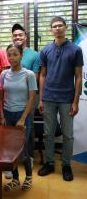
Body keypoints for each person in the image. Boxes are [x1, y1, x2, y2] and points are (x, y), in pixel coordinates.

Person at [38, 16, 84, 181]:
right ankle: (49, 163)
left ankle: (66, 165)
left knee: (68, 135)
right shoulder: (45, 50)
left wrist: (76, 101)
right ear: (51, 30)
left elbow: (78, 77)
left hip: (67, 99)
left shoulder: (75, 50)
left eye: (60, 25)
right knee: (48, 133)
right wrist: (41, 99)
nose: (57, 28)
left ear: (65, 27)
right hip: (49, 98)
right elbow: (42, 75)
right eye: (54, 26)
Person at [1, 44, 37, 191]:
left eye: (15, 54)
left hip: (23, 114)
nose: (12, 58)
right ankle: (15, 179)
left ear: (21, 56)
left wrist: (23, 118)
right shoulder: (4, 74)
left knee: (23, 150)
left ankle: (28, 177)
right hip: (7, 114)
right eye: (9, 55)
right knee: (10, 150)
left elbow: (32, 98)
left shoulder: (29, 74)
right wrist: (2, 115)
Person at [11, 23, 41, 178]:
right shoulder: (11, 52)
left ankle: (28, 158)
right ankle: (14, 161)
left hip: (29, 98)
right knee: (12, 134)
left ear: (25, 36)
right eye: (15, 35)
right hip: (12, 100)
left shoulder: (35, 55)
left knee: (28, 131)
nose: (17, 37)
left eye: (20, 35)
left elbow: (34, 79)